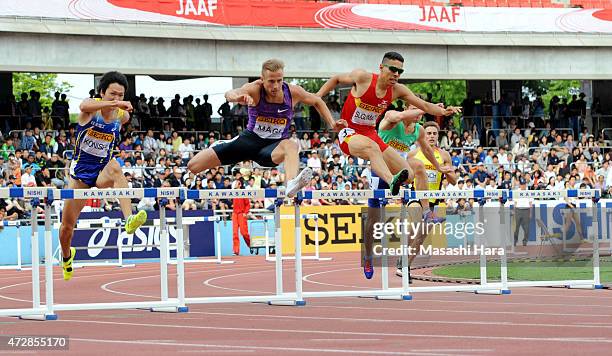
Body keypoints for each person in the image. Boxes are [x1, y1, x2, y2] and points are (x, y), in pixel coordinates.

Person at [188, 59, 346, 197]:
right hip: (248, 142)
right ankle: (223, 148)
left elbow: (317, 100)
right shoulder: (255, 89)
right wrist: (238, 97)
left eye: (279, 80)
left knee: (291, 144)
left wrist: (332, 123)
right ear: (262, 79)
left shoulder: (292, 92)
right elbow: (230, 93)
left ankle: (291, 183)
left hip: (272, 148)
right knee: (193, 166)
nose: (276, 85)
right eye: (271, 81)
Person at [317, 51, 459, 196]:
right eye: (393, 69)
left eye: (400, 71)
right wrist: (318, 96)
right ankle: (391, 180)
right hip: (349, 132)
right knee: (372, 147)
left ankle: (386, 176)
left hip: (371, 135)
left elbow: (425, 105)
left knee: (408, 175)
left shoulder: (398, 90)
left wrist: (443, 112)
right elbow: (335, 79)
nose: (396, 74)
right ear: (381, 67)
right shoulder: (363, 77)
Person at [59, 71, 148, 281]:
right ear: (101, 93)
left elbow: (126, 115)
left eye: (121, 95)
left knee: (116, 167)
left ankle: (129, 219)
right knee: (66, 229)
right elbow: (83, 105)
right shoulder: (90, 111)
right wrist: (114, 104)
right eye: (112, 94)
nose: (116, 99)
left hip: (101, 171)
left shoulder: (120, 116)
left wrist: (122, 108)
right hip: (80, 175)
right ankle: (66, 256)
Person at [362, 108, 451, 279]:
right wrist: (426, 106)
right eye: (415, 110)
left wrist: (439, 167)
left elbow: (426, 150)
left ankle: (427, 212)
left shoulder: (419, 130)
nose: (419, 116)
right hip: (380, 169)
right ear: (408, 108)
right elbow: (397, 116)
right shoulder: (392, 119)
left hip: (401, 170)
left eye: (421, 113)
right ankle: (368, 256)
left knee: (418, 165)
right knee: (373, 219)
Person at [396, 121, 458, 279]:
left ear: (438, 136)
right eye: (428, 133)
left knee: (422, 236)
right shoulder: (413, 154)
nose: (431, 136)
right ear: (423, 136)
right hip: (416, 196)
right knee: (418, 224)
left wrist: (447, 171)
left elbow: (453, 181)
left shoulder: (444, 155)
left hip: (434, 200)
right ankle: (403, 256)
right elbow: (405, 176)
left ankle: (405, 265)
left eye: (434, 133)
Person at [232, 179, 251, 255]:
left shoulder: (243, 193)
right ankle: (236, 251)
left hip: (241, 214)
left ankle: (250, 245)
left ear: (240, 184)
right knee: (235, 233)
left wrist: (245, 213)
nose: (235, 184)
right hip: (234, 214)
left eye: (236, 182)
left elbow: (248, 205)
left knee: (244, 233)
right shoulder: (232, 192)